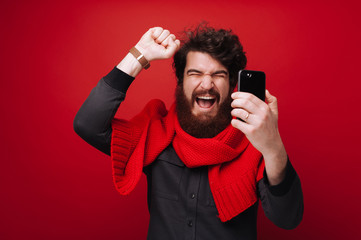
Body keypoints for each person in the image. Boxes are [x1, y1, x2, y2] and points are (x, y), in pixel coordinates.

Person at [74, 24, 303, 240]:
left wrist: (274, 147)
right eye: (195, 73)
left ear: (232, 84)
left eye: (218, 75)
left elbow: (287, 218)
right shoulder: (154, 134)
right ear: (181, 82)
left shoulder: (257, 142)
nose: (206, 84)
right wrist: (138, 55)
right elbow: (88, 125)